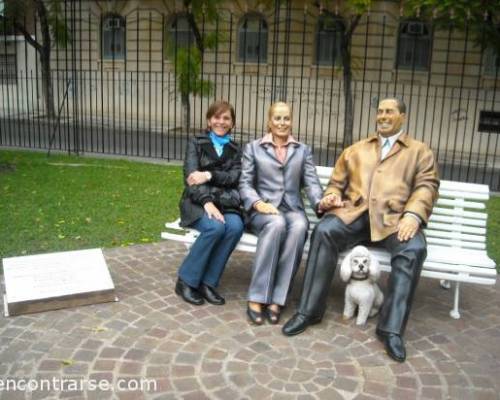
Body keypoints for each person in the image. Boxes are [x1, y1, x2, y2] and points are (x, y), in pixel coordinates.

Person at [282, 98, 440, 362]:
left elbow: (427, 186)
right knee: (324, 231)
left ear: (402, 116)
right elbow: (336, 183)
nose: (383, 116)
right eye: (379, 111)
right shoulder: (356, 150)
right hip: (355, 214)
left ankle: (391, 330)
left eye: (389, 111)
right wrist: (332, 196)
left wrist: (413, 215)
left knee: (414, 248)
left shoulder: (419, 151)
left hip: (393, 220)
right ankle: (309, 311)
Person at [239, 102, 323, 325]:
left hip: (292, 208)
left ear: (292, 121)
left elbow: (312, 183)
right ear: (269, 121)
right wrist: (257, 203)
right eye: (277, 118)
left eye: (286, 118)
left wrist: (320, 202)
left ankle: (277, 298)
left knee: (299, 226)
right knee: (276, 224)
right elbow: (245, 184)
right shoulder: (253, 148)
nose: (282, 123)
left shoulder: (302, 150)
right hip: (263, 211)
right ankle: (257, 296)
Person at [175, 100, 244, 306]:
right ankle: (186, 280)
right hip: (197, 202)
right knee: (215, 227)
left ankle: (208, 282)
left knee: (235, 227)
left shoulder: (235, 149)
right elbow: (191, 178)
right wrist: (206, 201)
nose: (221, 122)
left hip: (225, 202)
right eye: (217, 117)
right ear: (208, 120)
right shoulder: (196, 143)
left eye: (226, 118)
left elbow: (234, 177)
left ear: (232, 123)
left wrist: (208, 174)